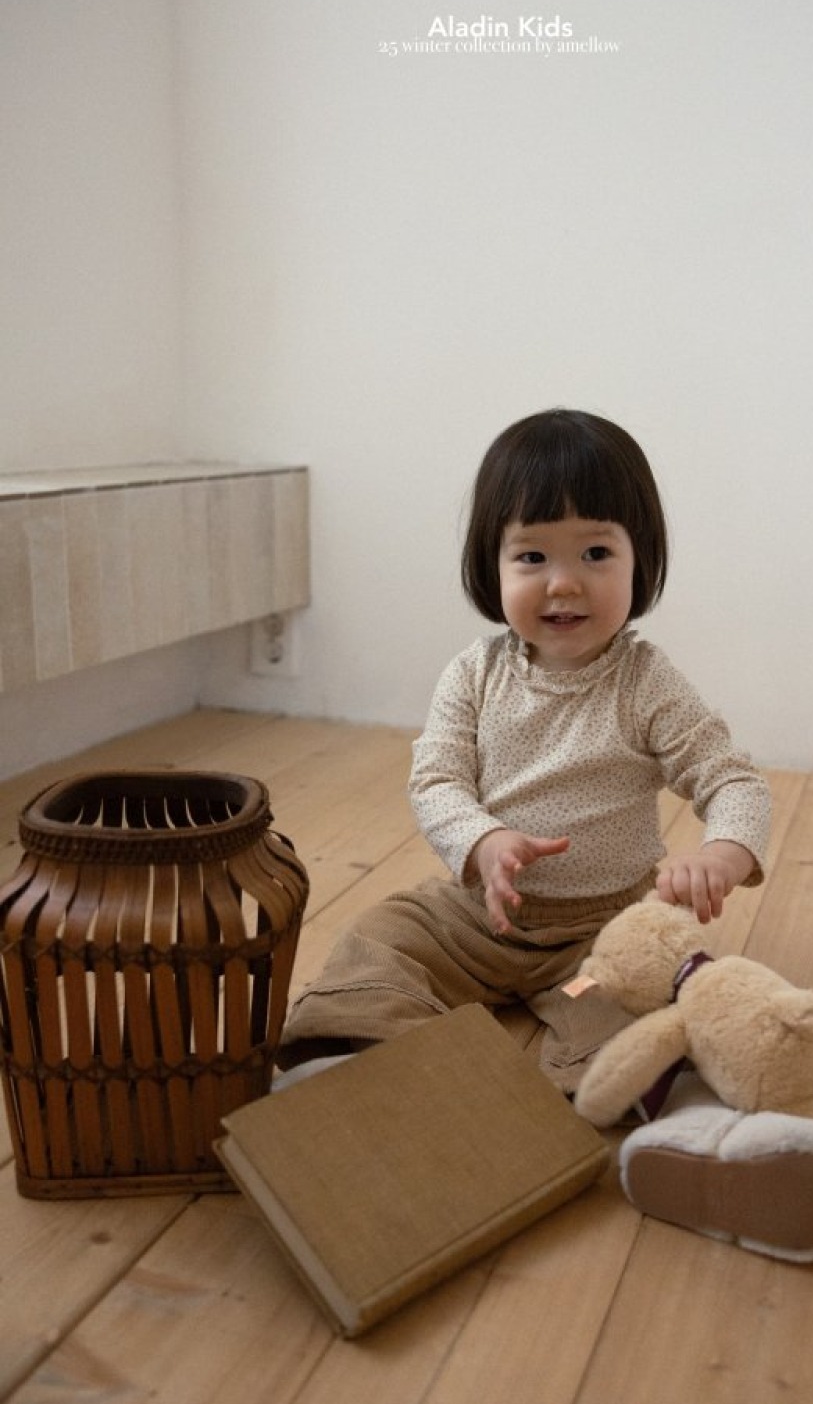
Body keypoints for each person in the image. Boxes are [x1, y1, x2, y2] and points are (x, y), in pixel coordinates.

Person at [277, 408, 771, 1091]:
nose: (563, 582)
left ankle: (625, 1092)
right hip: (476, 918)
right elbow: (437, 781)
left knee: (640, 986)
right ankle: (369, 1057)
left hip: (601, 935)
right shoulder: (474, 674)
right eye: (533, 557)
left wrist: (722, 855)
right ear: (494, 564)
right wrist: (483, 842)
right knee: (379, 937)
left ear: (641, 560)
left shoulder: (646, 683)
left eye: (595, 554)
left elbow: (733, 781)